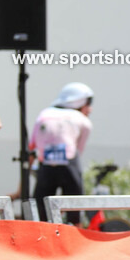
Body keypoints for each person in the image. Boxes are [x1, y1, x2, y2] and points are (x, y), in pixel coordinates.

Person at [30, 83, 93, 224]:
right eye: (89, 103)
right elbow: (79, 149)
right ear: (79, 101)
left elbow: (32, 146)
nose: (90, 109)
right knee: (75, 208)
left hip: (45, 167)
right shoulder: (83, 120)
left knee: (41, 213)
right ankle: (75, 240)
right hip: (70, 165)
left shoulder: (43, 115)